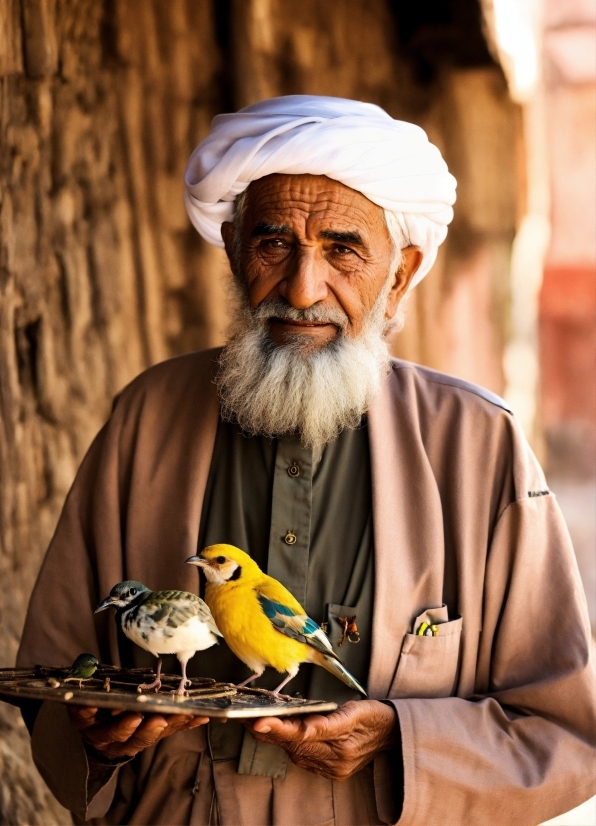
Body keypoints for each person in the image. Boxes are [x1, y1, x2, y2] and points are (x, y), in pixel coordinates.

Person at [17, 96, 595, 826]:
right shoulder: (147, 419)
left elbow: (565, 732)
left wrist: (404, 743)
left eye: (344, 250)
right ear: (232, 250)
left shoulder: (480, 447)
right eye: (273, 243)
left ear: (403, 273)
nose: (301, 288)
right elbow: (60, 674)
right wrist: (97, 733)